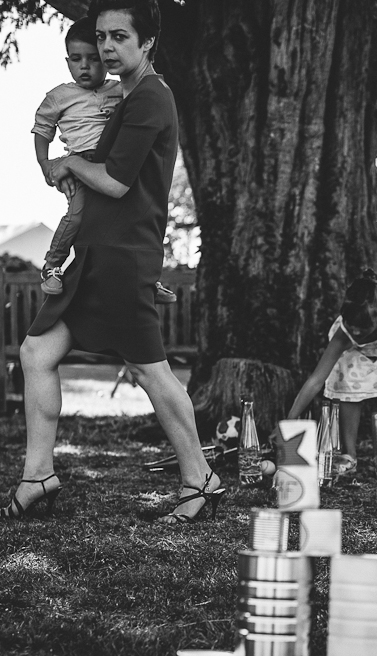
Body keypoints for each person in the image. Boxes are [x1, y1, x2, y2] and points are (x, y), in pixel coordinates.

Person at [2, 0, 219, 524]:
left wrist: (68, 161)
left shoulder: (149, 97)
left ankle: (200, 480)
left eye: (119, 37)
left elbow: (117, 182)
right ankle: (38, 476)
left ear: (147, 43)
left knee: (151, 373)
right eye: (101, 37)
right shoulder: (128, 92)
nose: (106, 48)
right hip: (94, 254)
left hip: (123, 256)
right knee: (35, 353)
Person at [32, 17, 175, 304]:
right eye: (76, 59)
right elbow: (41, 130)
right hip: (82, 164)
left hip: (112, 163)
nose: (85, 66)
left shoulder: (119, 90)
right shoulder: (59, 97)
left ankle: (148, 278)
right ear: (67, 61)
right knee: (77, 216)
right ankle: (52, 266)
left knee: (140, 214)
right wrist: (46, 165)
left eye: (93, 59)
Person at [282, 269, 377, 477]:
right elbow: (316, 380)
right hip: (354, 353)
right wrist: (289, 420)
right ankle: (350, 454)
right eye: (350, 327)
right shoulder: (345, 335)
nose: (355, 333)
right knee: (349, 388)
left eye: (361, 330)